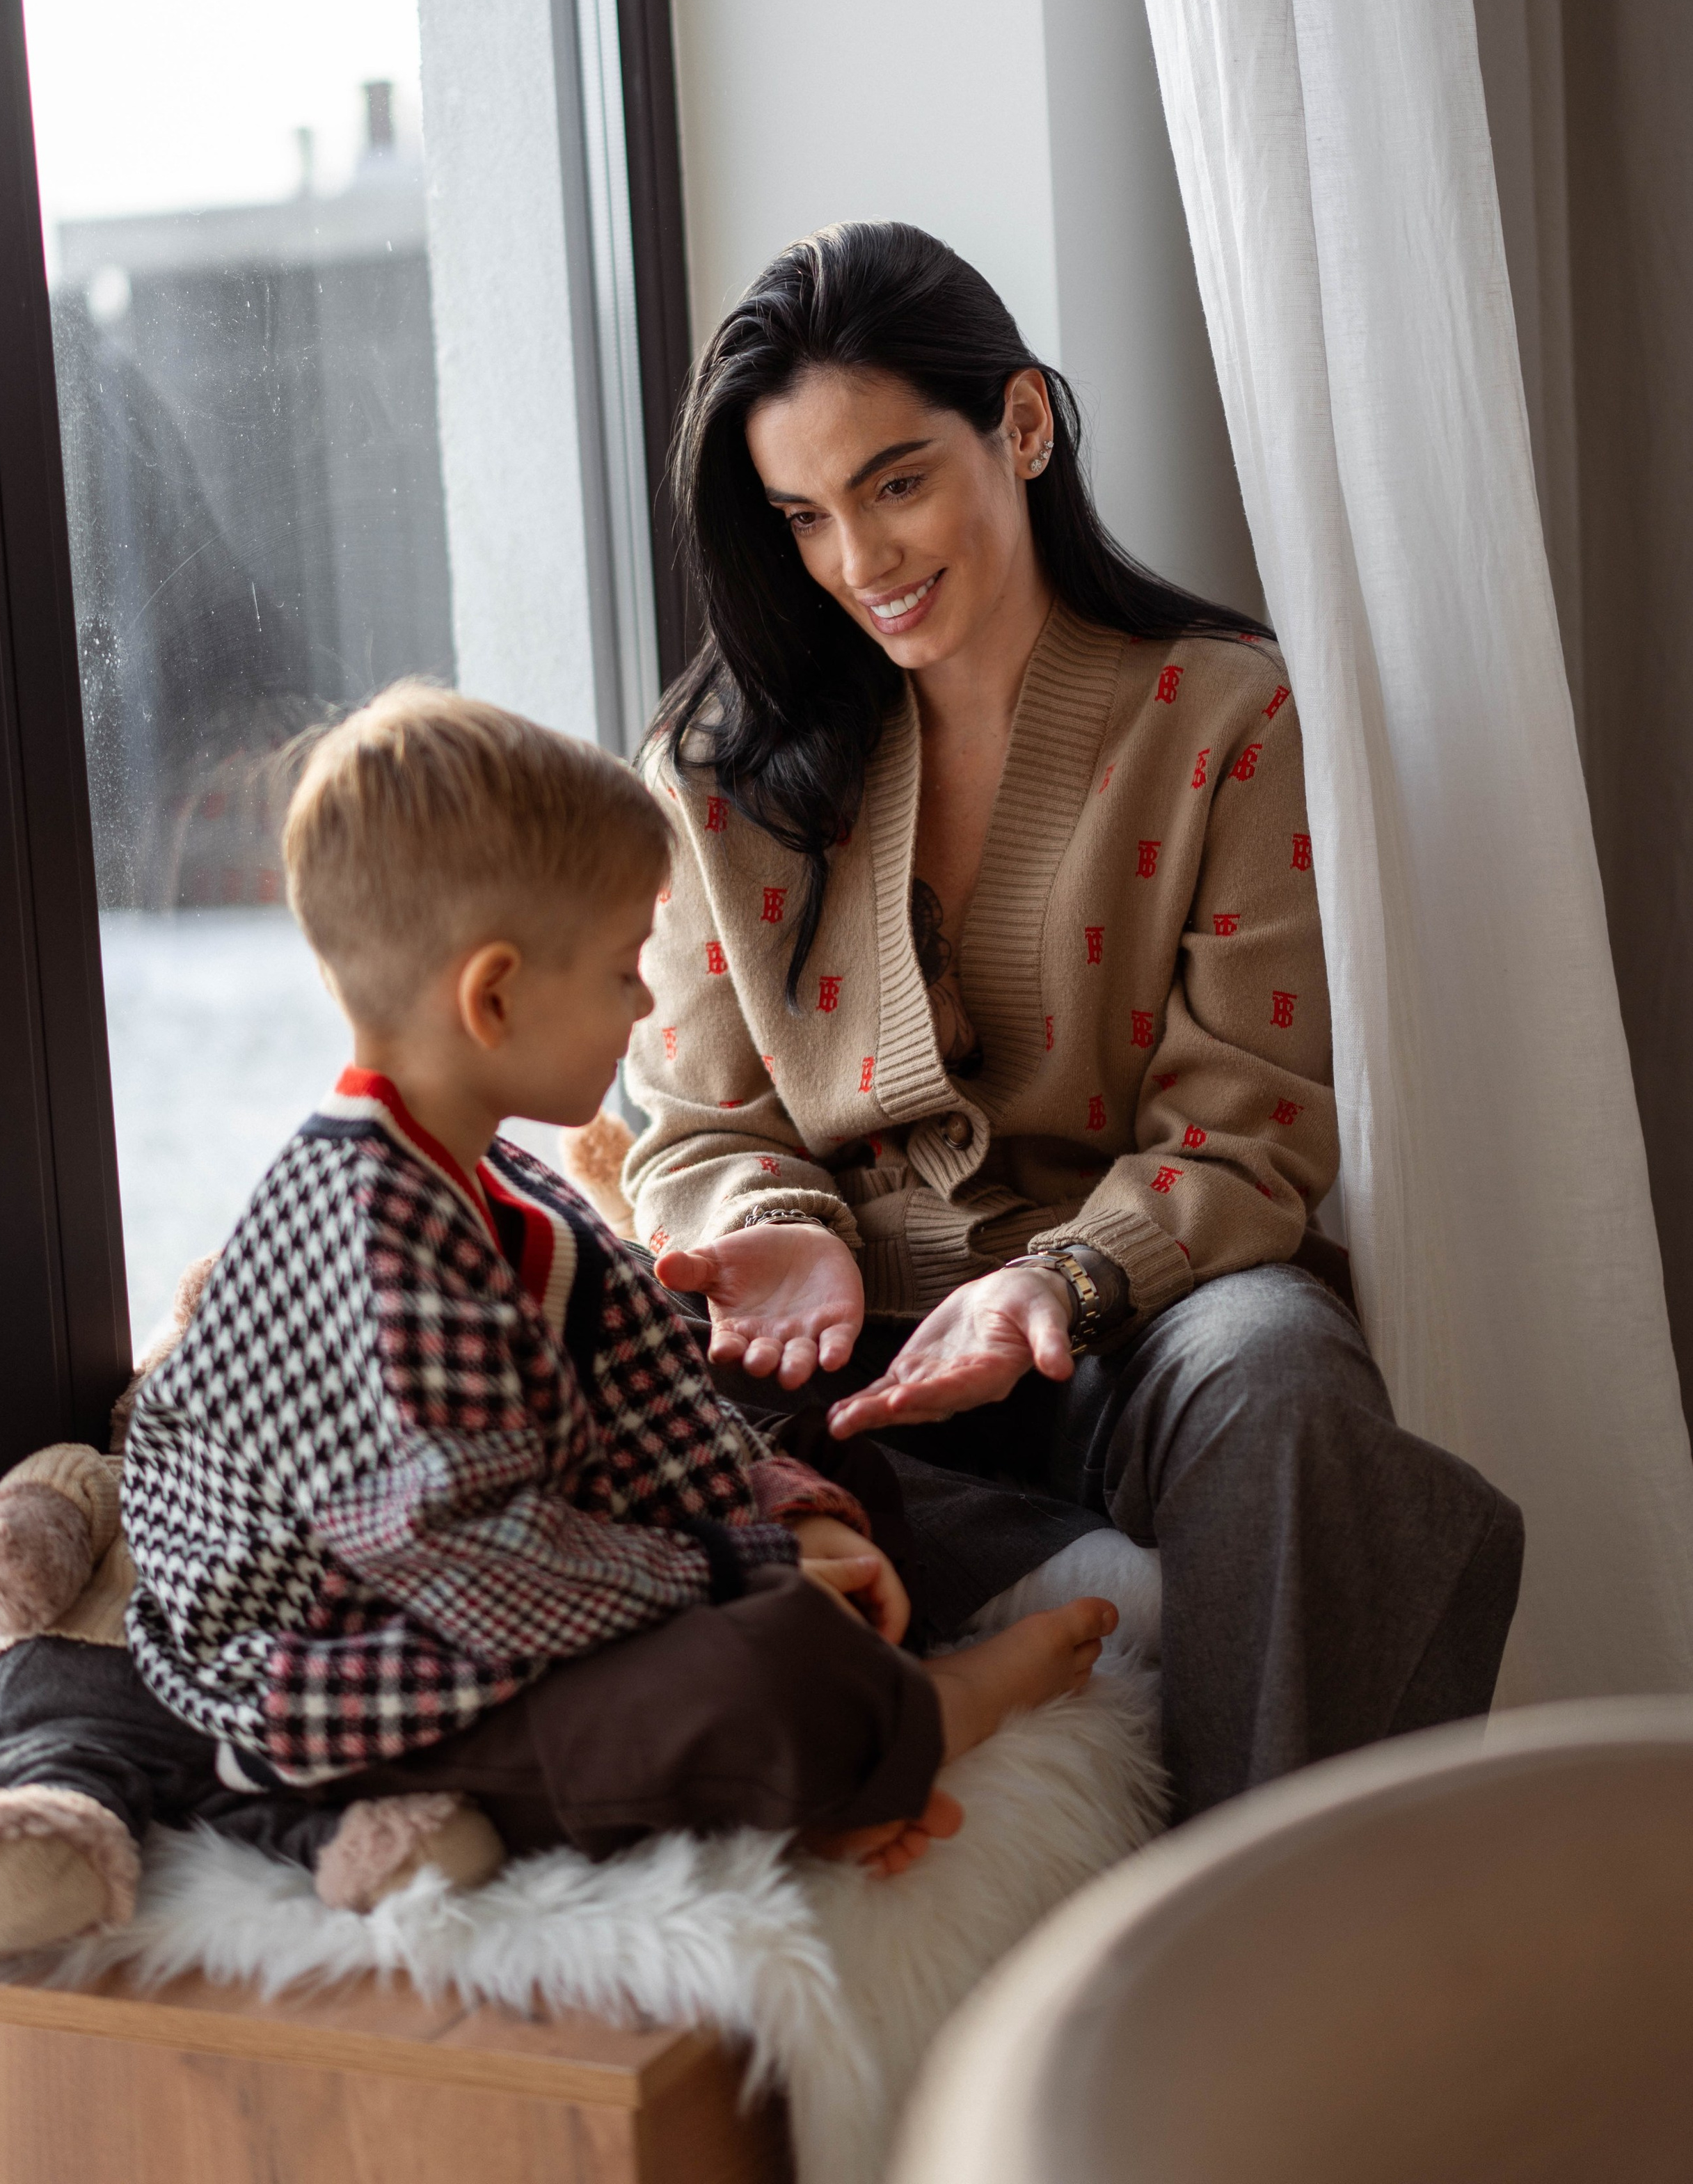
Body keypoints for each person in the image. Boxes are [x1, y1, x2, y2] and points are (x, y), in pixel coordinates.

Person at [623, 220, 1525, 1821]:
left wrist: (1053, 1283)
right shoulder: (710, 772)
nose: (859, 563)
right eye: (804, 518)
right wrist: (778, 1228)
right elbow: (694, 1125)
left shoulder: (1221, 714)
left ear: (1021, 428)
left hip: (1123, 1324)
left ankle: (1248, 1912)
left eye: (895, 483)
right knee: (613, 1416)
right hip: (834, 1352)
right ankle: (1066, 1586)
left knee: (1289, 1390)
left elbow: (1243, 1125)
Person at [117, 682, 1113, 1882]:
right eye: (619, 973)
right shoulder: (366, 1239)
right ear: (493, 998)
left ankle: (860, 1719)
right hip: (361, 1672)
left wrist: (777, 1515)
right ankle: (914, 1719)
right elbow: (476, 1568)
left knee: (824, 1467)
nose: (645, 1006)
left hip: (509, 1573)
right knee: (745, 1681)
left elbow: (642, 1410)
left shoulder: (489, 1174)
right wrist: (743, 1571)